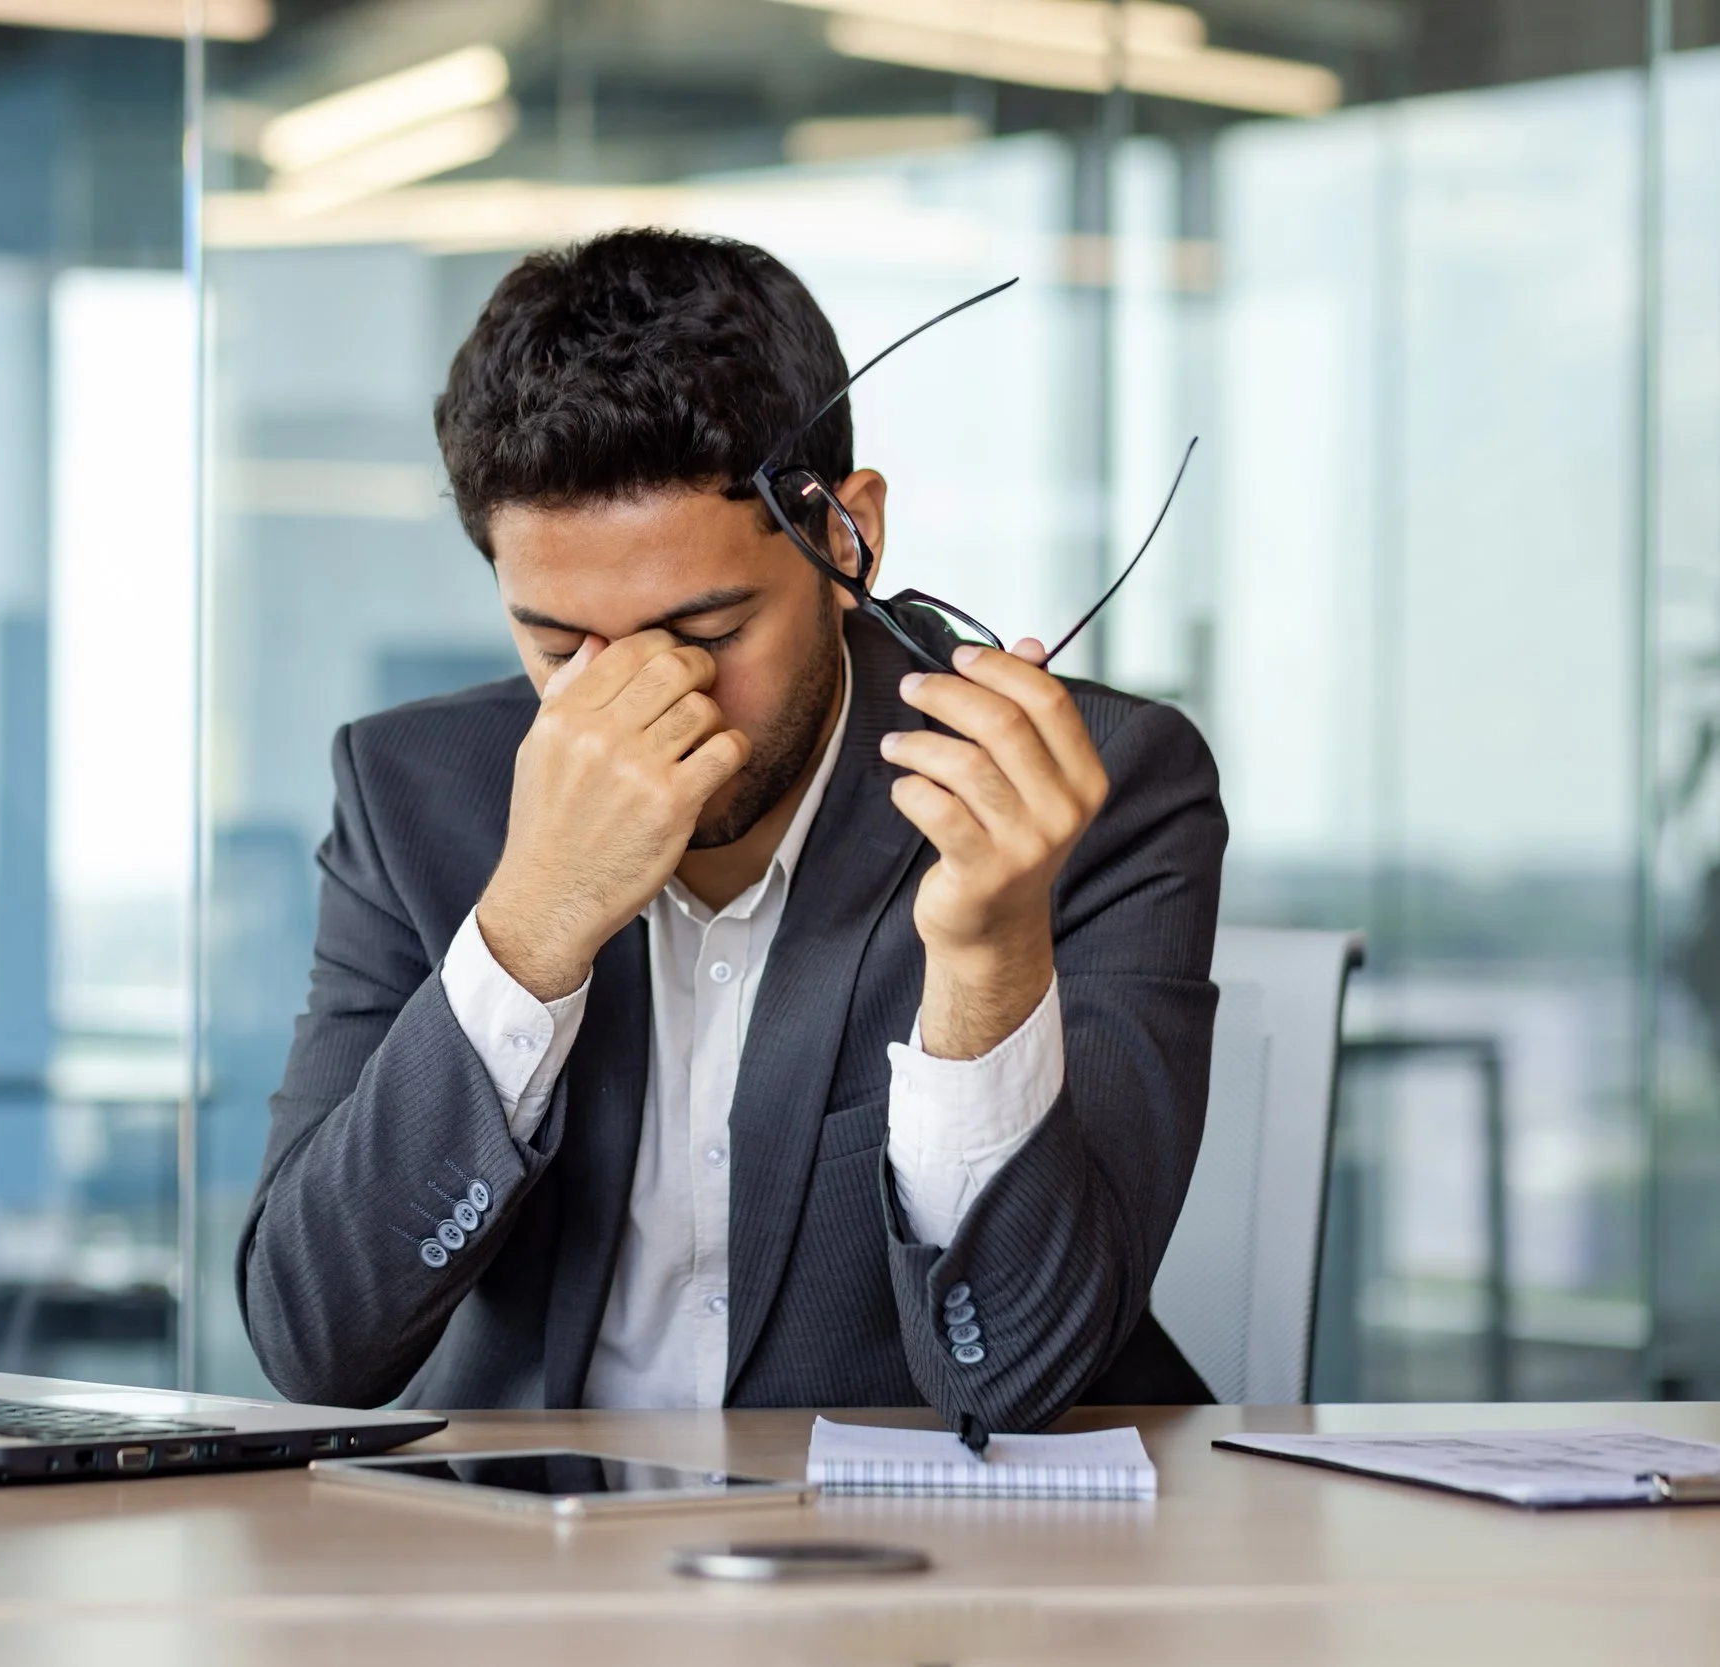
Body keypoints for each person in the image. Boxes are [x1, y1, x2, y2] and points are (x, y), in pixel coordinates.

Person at [236, 228, 1227, 1428]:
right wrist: (531, 925)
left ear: (845, 534)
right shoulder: (412, 791)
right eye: (559, 646)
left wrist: (987, 965)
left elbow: (1011, 1379)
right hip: (532, 1568)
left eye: (705, 633)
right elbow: (314, 1341)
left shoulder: (1086, 788)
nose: (638, 704)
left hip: (906, 1575)